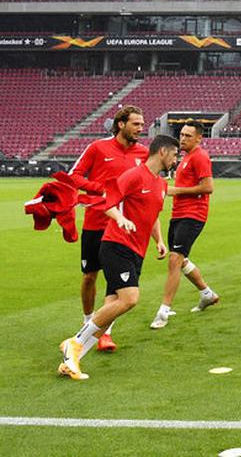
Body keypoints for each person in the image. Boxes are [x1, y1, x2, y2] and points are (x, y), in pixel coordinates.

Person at [58, 134, 177, 381]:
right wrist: (119, 218)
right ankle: (75, 343)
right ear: (163, 152)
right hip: (116, 245)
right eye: (175, 154)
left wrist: (160, 241)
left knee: (112, 308)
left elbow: (153, 214)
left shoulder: (161, 184)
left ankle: (72, 361)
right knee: (130, 299)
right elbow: (108, 201)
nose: (176, 160)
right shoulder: (134, 175)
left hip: (137, 251)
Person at [64, 105, 148, 353]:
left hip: (124, 226)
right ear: (121, 124)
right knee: (90, 275)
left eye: (142, 125)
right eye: (136, 124)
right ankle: (88, 321)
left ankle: (105, 332)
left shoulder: (143, 153)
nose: (141, 129)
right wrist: (99, 188)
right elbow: (73, 176)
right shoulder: (97, 148)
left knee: (116, 283)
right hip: (96, 221)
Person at [150, 122, 219, 329]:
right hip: (178, 214)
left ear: (199, 138)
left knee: (174, 260)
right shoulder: (186, 158)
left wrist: (176, 191)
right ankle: (207, 294)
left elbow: (208, 187)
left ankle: (163, 311)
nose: (183, 139)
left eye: (188, 135)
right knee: (181, 259)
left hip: (193, 215)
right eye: (181, 135)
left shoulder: (200, 156)